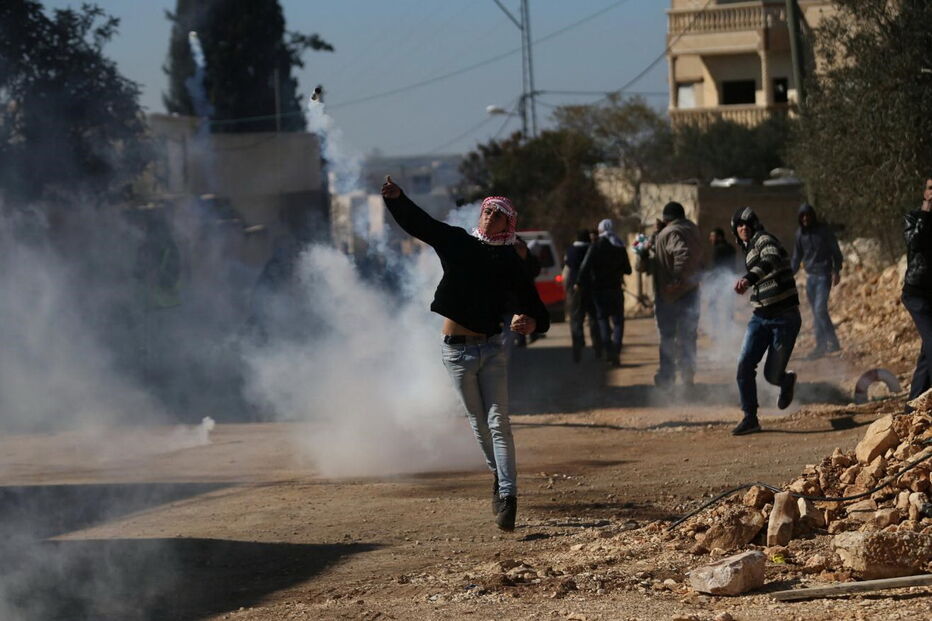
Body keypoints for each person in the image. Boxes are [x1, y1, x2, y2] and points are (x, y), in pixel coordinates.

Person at [380, 176, 550, 531]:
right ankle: (498, 477)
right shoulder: (458, 242)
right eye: (488, 210)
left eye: (499, 214)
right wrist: (398, 199)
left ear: (509, 223)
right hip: (455, 353)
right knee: (479, 425)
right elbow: (421, 225)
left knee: (499, 425)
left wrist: (530, 322)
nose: (490, 215)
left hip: (492, 349)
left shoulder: (509, 261)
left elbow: (535, 308)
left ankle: (508, 496)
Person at [731, 207, 801, 435]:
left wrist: (749, 278)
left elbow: (770, 259)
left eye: (746, 224)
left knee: (771, 376)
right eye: (739, 225)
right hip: (760, 316)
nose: (743, 228)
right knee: (744, 366)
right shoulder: (748, 250)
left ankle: (785, 380)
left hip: (784, 317)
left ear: (754, 225)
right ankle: (750, 417)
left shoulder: (763, 239)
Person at [638, 202, 703, 386]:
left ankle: (667, 376)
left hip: (671, 295)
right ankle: (687, 374)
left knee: (667, 337)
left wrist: (676, 279)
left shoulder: (671, 233)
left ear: (666, 219)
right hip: (691, 291)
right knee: (688, 336)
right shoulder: (692, 229)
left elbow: (682, 254)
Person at [791, 203, 843, 358]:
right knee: (815, 312)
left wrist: (837, 270)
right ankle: (820, 345)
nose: (805, 218)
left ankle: (833, 342)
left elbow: (836, 252)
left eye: (808, 215)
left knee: (820, 309)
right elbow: (796, 257)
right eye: (802, 216)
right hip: (810, 278)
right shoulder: (799, 234)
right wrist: (788, 274)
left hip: (824, 275)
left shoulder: (823, 232)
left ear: (813, 216)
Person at [579, 219, 632, 366]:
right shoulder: (619, 246)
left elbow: (585, 268)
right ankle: (616, 350)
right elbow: (628, 270)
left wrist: (579, 283)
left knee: (602, 320)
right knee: (618, 322)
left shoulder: (595, 246)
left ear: (600, 230)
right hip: (616, 290)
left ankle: (609, 351)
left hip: (599, 291)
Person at [903, 177, 932, 409]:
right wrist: (925, 214)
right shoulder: (913, 218)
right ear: (924, 193)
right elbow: (915, 242)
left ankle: (912, 405)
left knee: (926, 351)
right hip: (916, 292)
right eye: (930, 188)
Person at [563, 230, 602, 362]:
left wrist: (567, 289)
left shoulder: (570, 251)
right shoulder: (593, 249)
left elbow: (567, 271)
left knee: (576, 320)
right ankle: (597, 348)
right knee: (593, 319)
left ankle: (577, 349)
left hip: (575, 290)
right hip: (591, 289)